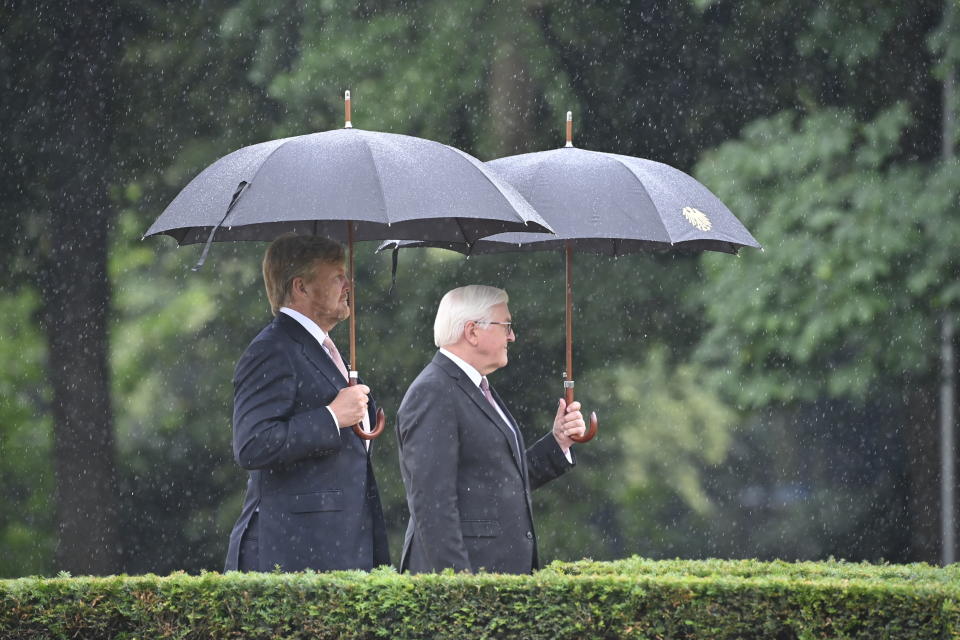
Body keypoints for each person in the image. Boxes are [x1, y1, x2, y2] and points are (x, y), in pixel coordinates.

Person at [224, 234, 390, 572]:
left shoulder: (323, 348)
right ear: (301, 287)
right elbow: (253, 444)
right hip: (291, 556)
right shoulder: (272, 349)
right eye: (337, 276)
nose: (349, 285)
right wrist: (331, 417)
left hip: (335, 550)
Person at [396, 284, 586, 574]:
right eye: (506, 325)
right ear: (472, 331)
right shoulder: (433, 392)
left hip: (492, 581)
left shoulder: (475, 387)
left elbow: (499, 480)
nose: (512, 335)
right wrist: (460, 588)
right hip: (468, 590)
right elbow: (432, 505)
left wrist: (558, 442)